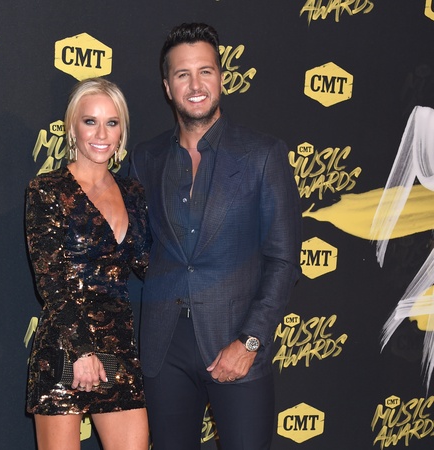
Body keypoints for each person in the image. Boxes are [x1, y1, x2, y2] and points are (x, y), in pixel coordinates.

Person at [130, 23, 302, 450]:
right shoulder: (146, 158)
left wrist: (249, 341)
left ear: (221, 78)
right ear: (167, 87)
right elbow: (135, 249)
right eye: (182, 74)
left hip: (236, 342)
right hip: (164, 349)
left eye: (205, 71)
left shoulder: (263, 155)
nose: (195, 85)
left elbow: (283, 260)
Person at [25, 77, 151, 450]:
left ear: (122, 131)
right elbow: (51, 281)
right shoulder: (47, 189)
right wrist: (81, 351)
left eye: (112, 122)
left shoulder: (133, 192)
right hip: (66, 347)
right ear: (72, 128)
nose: (101, 134)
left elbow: (149, 265)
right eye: (90, 121)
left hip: (118, 348)